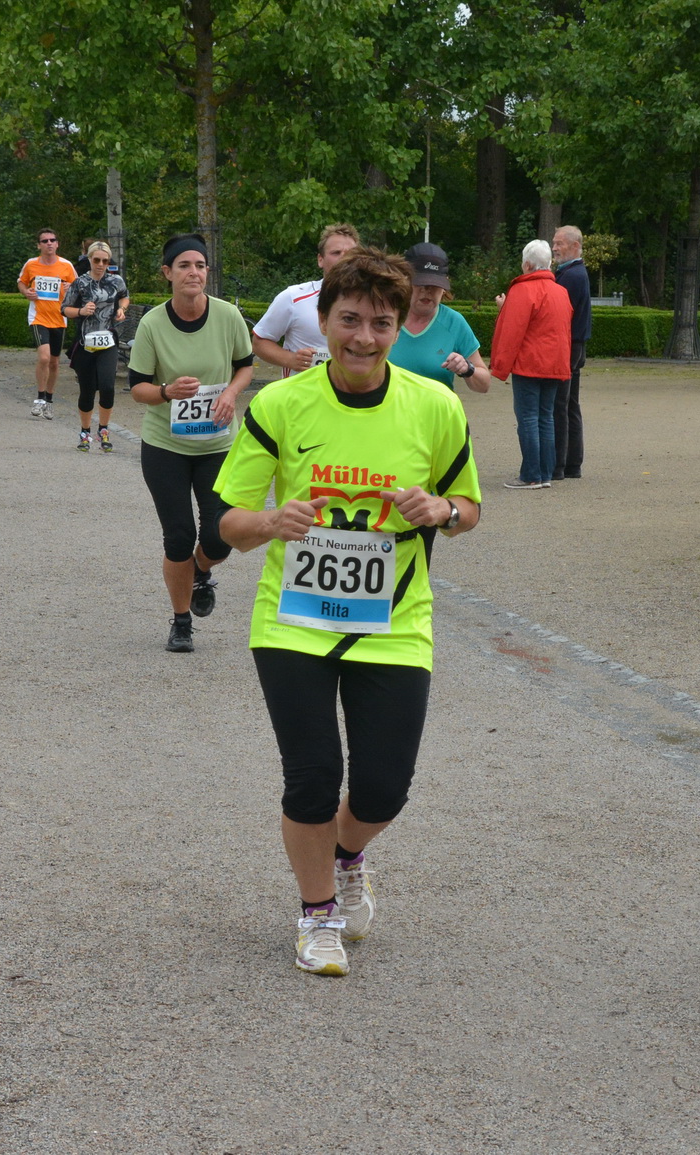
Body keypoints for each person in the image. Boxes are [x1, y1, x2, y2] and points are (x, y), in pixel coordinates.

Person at [216, 247, 482, 976]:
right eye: (350, 320)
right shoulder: (280, 405)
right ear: (324, 320)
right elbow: (230, 523)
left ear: (398, 328)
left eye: (381, 324)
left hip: (394, 623)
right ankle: (317, 914)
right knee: (311, 776)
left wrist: (441, 510)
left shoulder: (434, 406)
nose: (364, 338)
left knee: (383, 787)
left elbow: (469, 507)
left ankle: (346, 855)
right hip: (294, 619)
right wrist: (271, 522)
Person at [126, 234, 254, 652]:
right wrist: (166, 392)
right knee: (179, 536)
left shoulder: (227, 316)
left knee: (220, 535)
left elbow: (245, 367)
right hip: (166, 446)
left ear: (207, 272)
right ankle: (181, 622)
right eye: (184, 265)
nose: (193, 272)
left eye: (200, 265)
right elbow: (137, 388)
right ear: (168, 273)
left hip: (218, 444)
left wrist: (231, 393)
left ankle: (200, 570)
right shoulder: (152, 324)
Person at [488, 238, 571, 490]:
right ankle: (545, 474)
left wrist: (500, 366)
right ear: (548, 264)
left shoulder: (522, 290)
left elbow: (511, 332)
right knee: (546, 418)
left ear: (527, 264)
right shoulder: (561, 292)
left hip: (529, 364)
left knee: (528, 419)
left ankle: (531, 475)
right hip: (554, 364)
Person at [252, 223, 360, 377]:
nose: (344, 258)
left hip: (352, 389)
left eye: (350, 253)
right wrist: (291, 359)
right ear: (320, 260)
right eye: (336, 253)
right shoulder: (293, 297)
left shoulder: (372, 302)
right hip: (301, 390)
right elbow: (259, 343)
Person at [386, 242, 489, 392]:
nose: (427, 291)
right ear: (404, 281)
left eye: (434, 285)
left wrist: (467, 369)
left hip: (437, 407)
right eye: (420, 284)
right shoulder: (385, 317)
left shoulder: (454, 322)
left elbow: (484, 385)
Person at [61, 241, 130, 453]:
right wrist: (81, 311)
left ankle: (104, 429)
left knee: (108, 387)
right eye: (97, 260)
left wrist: (121, 309)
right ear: (90, 259)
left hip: (108, 341)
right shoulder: (80, 282)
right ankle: (84, 432)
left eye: (105, 261)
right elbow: (65, 309)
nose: (100, 264)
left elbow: (124, 296)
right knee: (87, 390)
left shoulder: (115, 280)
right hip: (86, 343)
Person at [18, 228, 78, 418]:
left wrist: (70, 287)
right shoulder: (31, 264)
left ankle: (49, 400)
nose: (49, 243)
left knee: (54, 362)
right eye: (44, 241)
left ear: (57, 244)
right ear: (39, 245)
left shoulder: (66, 265)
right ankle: (39, 398)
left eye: (52, 240)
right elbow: (21, 282)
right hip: (38, 317)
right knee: (44, 358)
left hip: (59, 318)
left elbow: (79, 287)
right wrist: (26, 292)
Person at [550, 224, 592, 479]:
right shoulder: (573, 273)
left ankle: (559, 464)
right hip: (575, 345)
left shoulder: (571, 276)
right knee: (569, 404)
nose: (554, 248)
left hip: (568, 345)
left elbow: (556, 313)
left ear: (575, 246)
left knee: (560, 405)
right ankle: (572, 463)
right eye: (554, 243)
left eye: (560, 243)